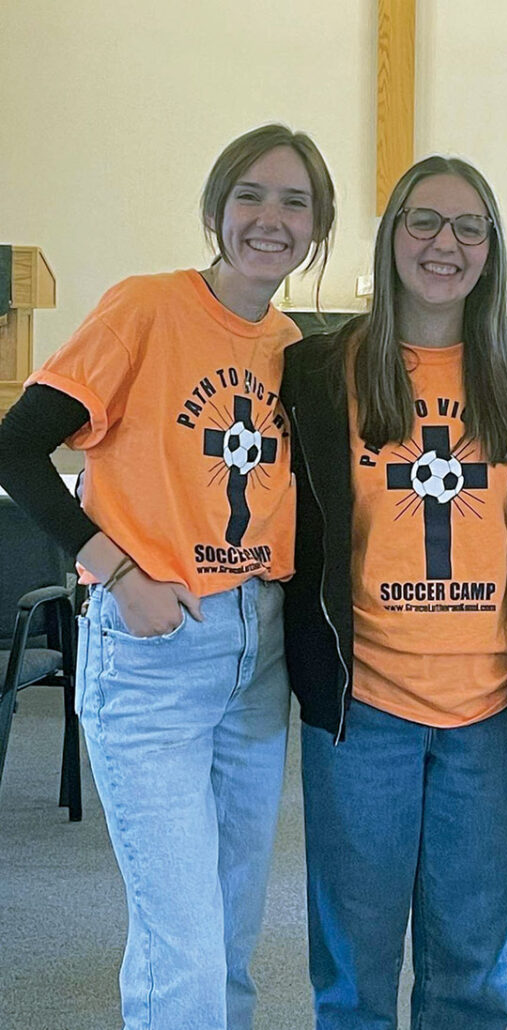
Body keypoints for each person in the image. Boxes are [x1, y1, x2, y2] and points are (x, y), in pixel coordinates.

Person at [0, 123, 335, 1030]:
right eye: (252, 196)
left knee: (228, 930)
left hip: (254, 653)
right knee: (181, 939)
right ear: (217, 210)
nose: (272, 218)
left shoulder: (292, 346)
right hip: (155, 648)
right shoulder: (145, 308)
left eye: (295, 202)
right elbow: (16, 447)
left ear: (319, 226)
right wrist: (114, 573)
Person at [280, 155, 507, 1030]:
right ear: (391, 232)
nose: (445, 243)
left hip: (490, 716)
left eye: (468, 226)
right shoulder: (322, 369)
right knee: (354, 973)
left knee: (471, 973)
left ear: (492, 247)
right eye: (424, 221)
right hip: (362, 712)